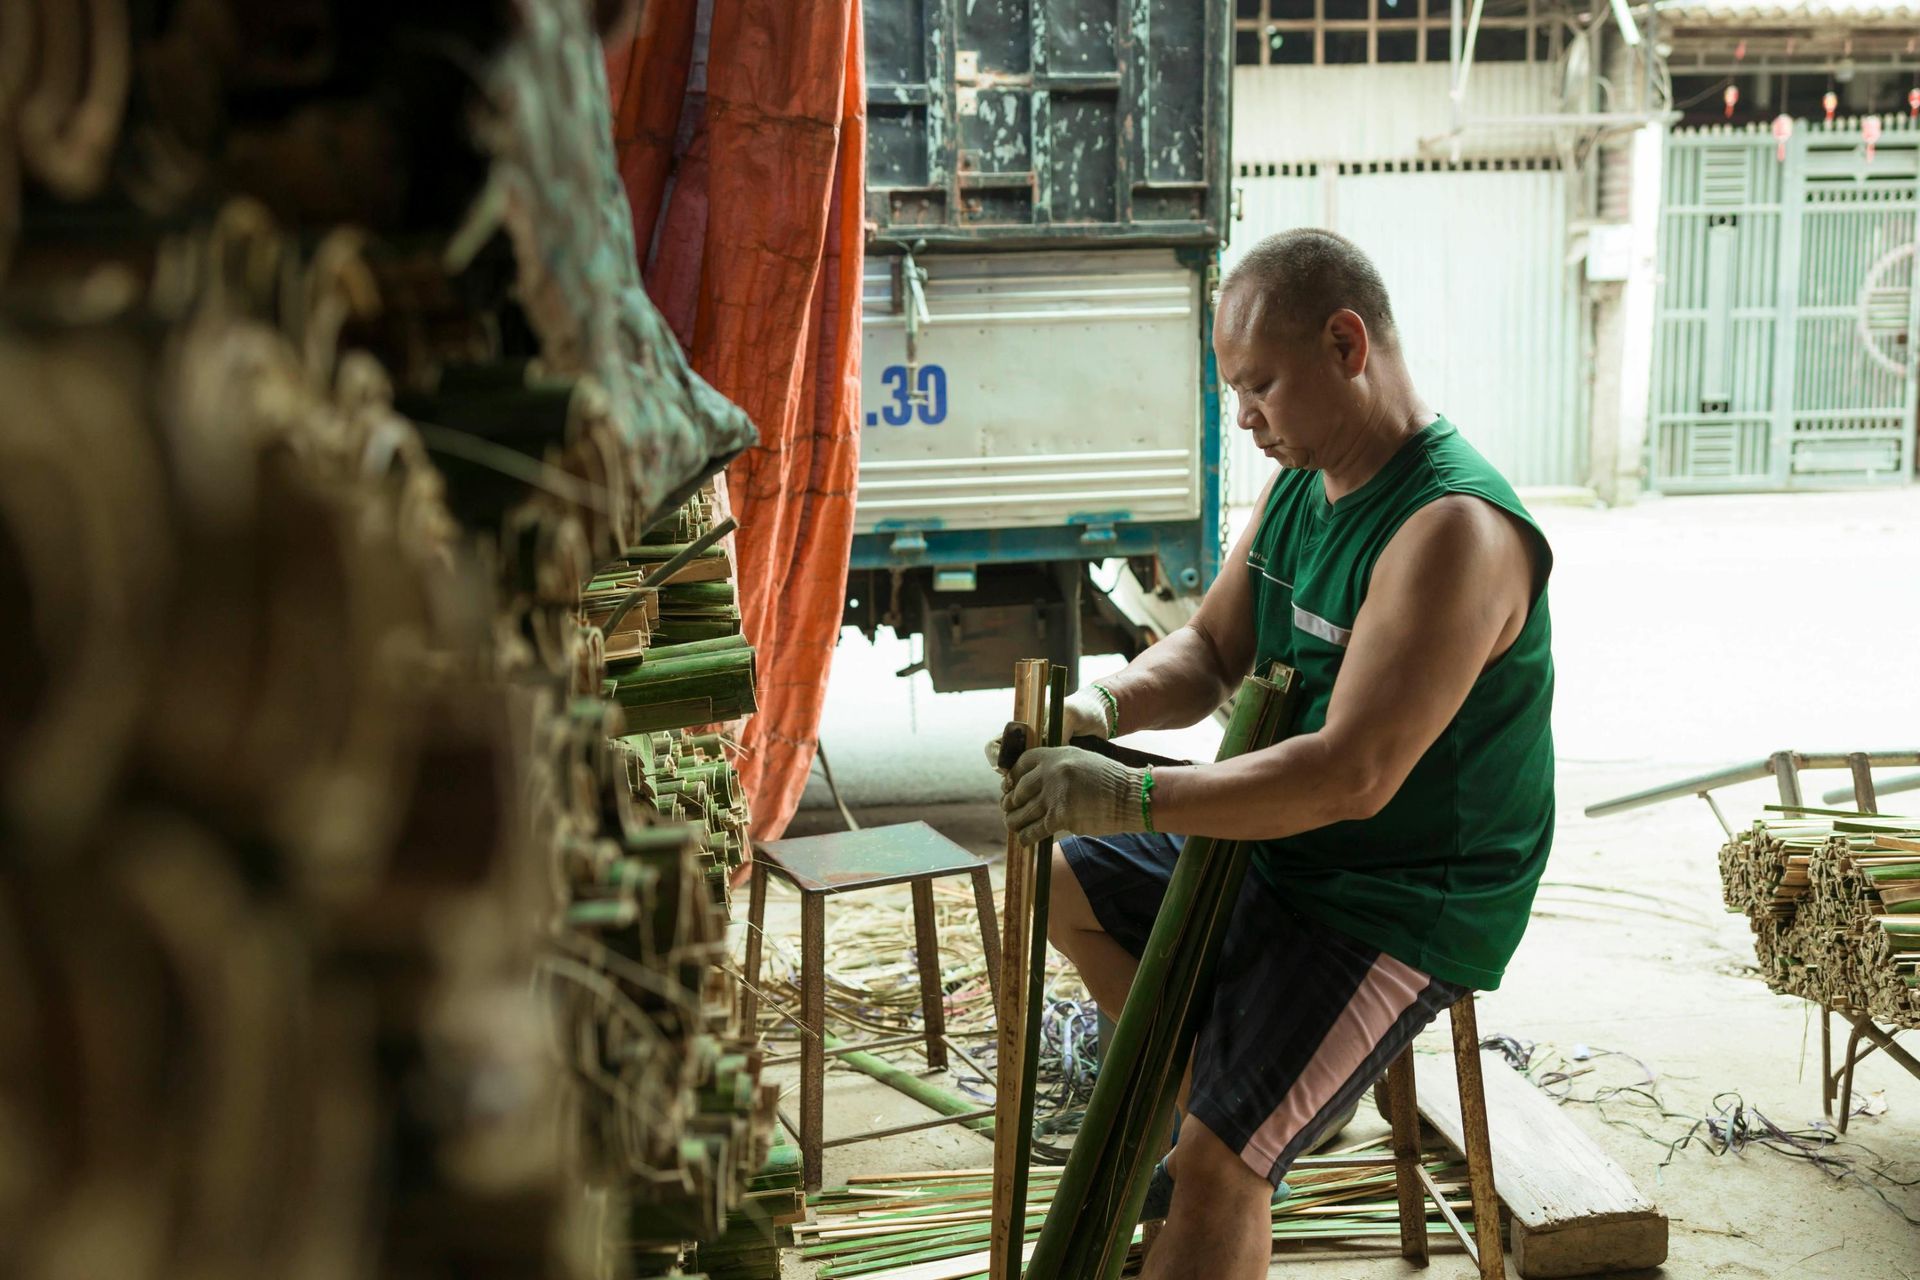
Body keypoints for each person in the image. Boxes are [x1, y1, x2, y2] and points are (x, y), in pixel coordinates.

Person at [992, 228, 1555, 1280]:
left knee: (1217, 1171)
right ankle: (1231, 1102)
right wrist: (1093, 704)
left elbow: (1352, 774)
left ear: (1348, 344)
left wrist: (1129, 791)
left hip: (1399, 891)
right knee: (1062, 879)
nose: (1244, 418)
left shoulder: (1451, 529)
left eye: (1261, 387)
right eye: (1234, 390)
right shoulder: (1303, 481)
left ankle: (1227, 1152)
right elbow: (1210, 648)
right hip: (1286, 845)